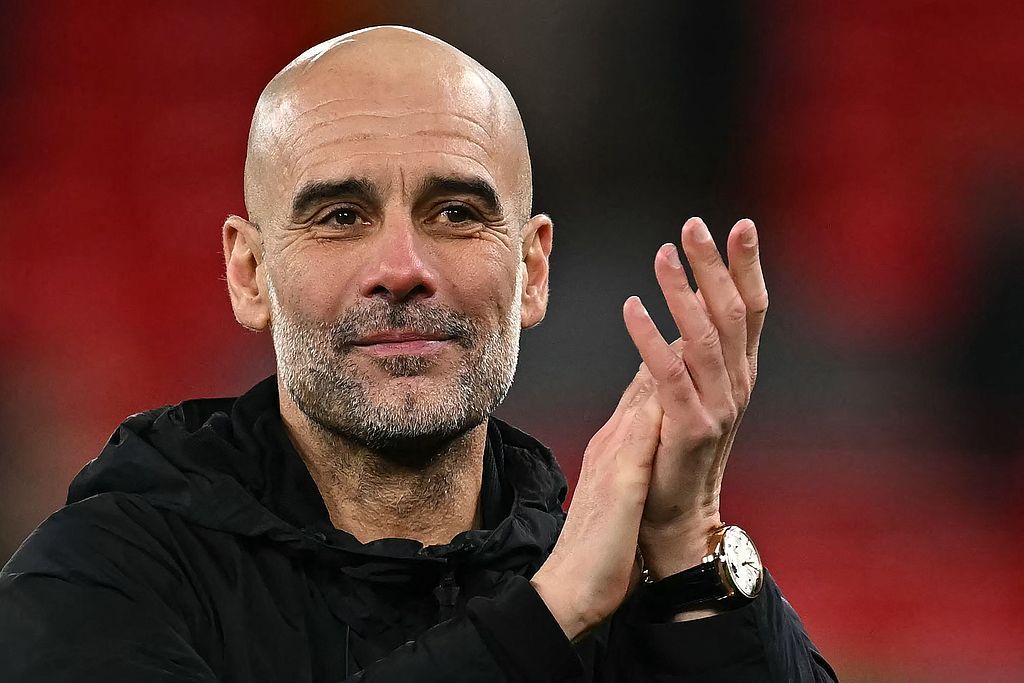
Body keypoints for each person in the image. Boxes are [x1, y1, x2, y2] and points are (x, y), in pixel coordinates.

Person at [0, 26, 836, 682]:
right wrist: (545, 619)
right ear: (249, 273)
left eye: (457, 213)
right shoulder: (98, 578)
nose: (402, 267)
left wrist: (688, 543)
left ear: (533, 271)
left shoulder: (622, 585)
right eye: (340, 217)